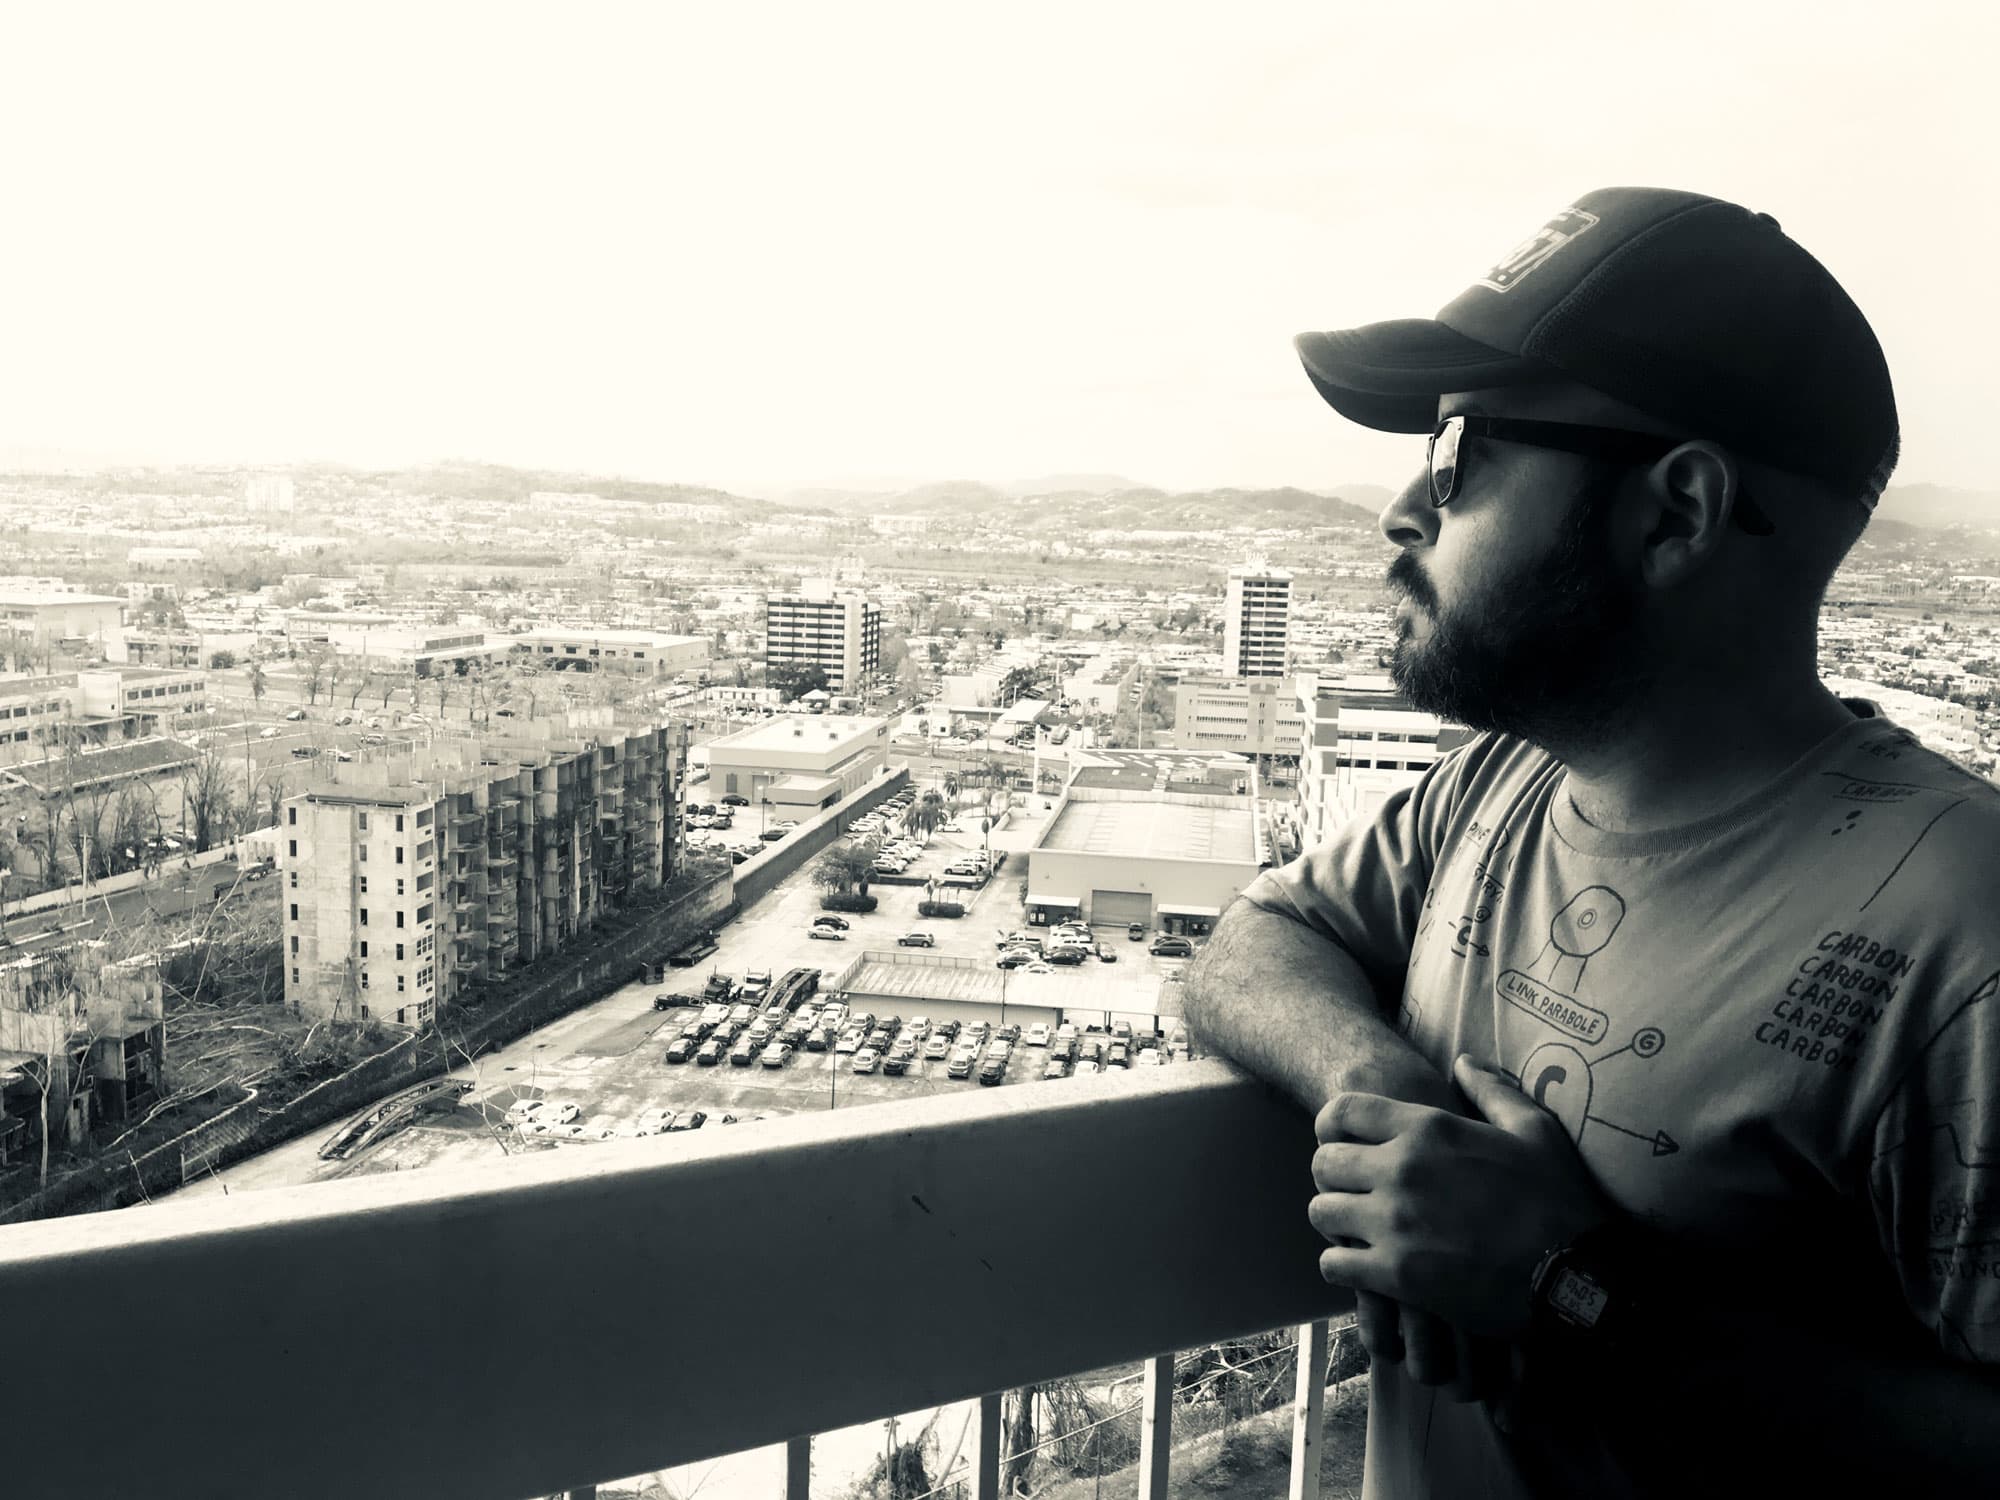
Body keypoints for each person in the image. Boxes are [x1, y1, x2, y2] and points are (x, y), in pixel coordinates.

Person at [1182, 186, 2000, 1497]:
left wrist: (1572, 1287)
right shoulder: (1499, 789)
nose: (1402, 511)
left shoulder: (1962, 933)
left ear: (1675, 513)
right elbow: (1250, 943)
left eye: (1458, 458)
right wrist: (1395, 1107)